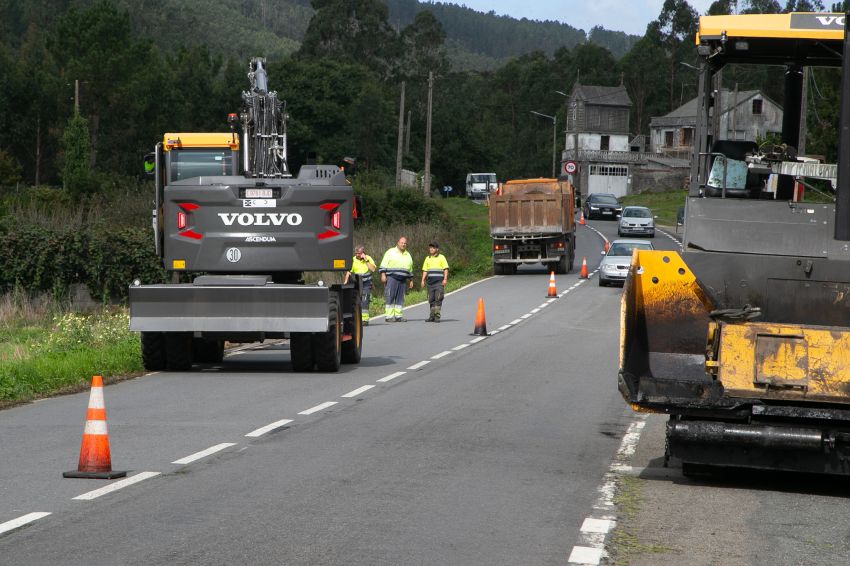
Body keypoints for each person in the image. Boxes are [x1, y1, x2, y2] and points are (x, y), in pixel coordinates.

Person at [379, 236, 414, 322]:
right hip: (391, 278)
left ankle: (398, 316)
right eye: (402, 243)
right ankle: (389, 317)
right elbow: (383, 264)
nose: (403, 244)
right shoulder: (390, 252)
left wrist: (411, 280)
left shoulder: (408, 254)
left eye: (405, 243)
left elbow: (410, 268)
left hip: (403, 279)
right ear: (398, 243)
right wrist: (383, 275)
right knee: (390, 296)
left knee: (400, 298)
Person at [343, 245, 376, 325]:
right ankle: (356, 319)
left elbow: (373, 269)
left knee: (365, 300)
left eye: (359, 253)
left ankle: (364, 320)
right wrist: (345, 282)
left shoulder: (368, 258)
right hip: (356, 282)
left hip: (366, 283)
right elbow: (348, 272)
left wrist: (366, 260)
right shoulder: (353, 260)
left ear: (363, 253)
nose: (357, 255)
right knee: (356, 300)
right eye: (356, 253)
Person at [420, 241, 449, 322]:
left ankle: (437, 316)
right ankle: (432, 316)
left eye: (433, 248)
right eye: (430, 248)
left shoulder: (441, 257)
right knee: (431, 299)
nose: (431, 249)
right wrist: (422, 280)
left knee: (438, 298)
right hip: (430, 283)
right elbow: (425, 270)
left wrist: (445, 279)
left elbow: (445, 269)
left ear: (437, 249)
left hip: (439, 282)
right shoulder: (427, 258)